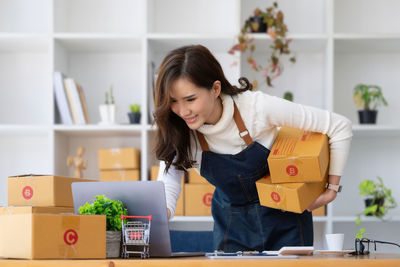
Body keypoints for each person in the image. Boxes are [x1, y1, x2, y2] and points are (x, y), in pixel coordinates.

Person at [153, 45, 352, 252]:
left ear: (215, 89)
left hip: (287, 221)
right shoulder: (180, 131)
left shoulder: (256, 108)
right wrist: (160, 214)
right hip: (231, 228)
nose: (183, 111)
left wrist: (331, 190)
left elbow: (339, 126)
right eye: (173, 102)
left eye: (190, 99)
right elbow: (168, 182)